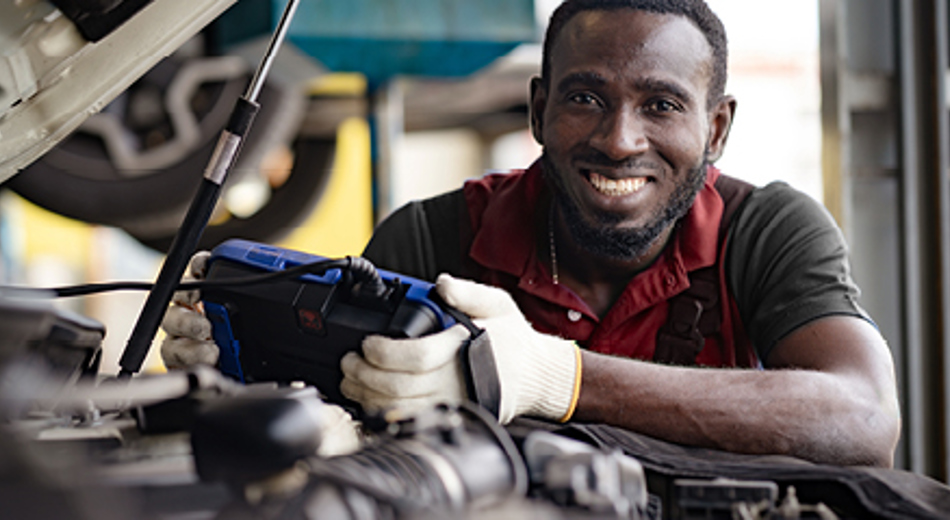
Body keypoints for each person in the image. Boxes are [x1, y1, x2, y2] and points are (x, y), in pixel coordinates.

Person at [163, 0, 901, 467]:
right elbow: (343, 417)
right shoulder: (433, 237)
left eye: (662, 106)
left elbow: (864, 417)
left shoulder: (766, 230)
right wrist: (245, 364)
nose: (619, 141)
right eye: (585, 98)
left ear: (717, 127)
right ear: (539, 110)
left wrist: (556, 378)